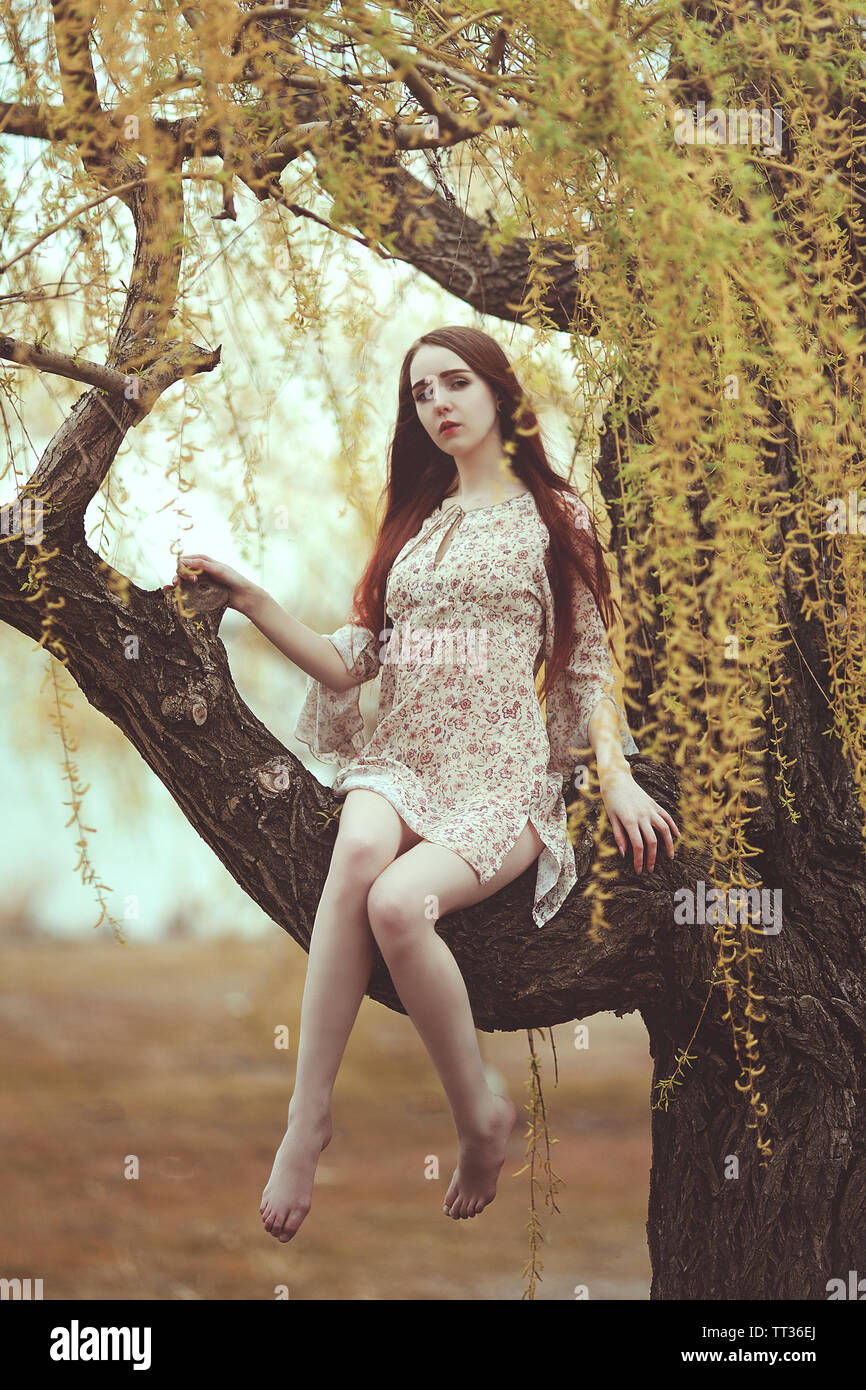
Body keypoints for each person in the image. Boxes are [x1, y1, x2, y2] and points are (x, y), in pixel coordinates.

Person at [163, 325, 679, 1243]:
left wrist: (614, 776)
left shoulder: (557, 515)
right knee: (358, 844)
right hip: (401, 761)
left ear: (497, 394)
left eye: (455, 383)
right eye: (421, 392)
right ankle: (306, 1117)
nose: (437, 403)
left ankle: (478, 1116)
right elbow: (353, 659)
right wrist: (252, 599)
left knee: (400, 907)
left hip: (500, 775)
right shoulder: (419, 522)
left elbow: (589, 667)